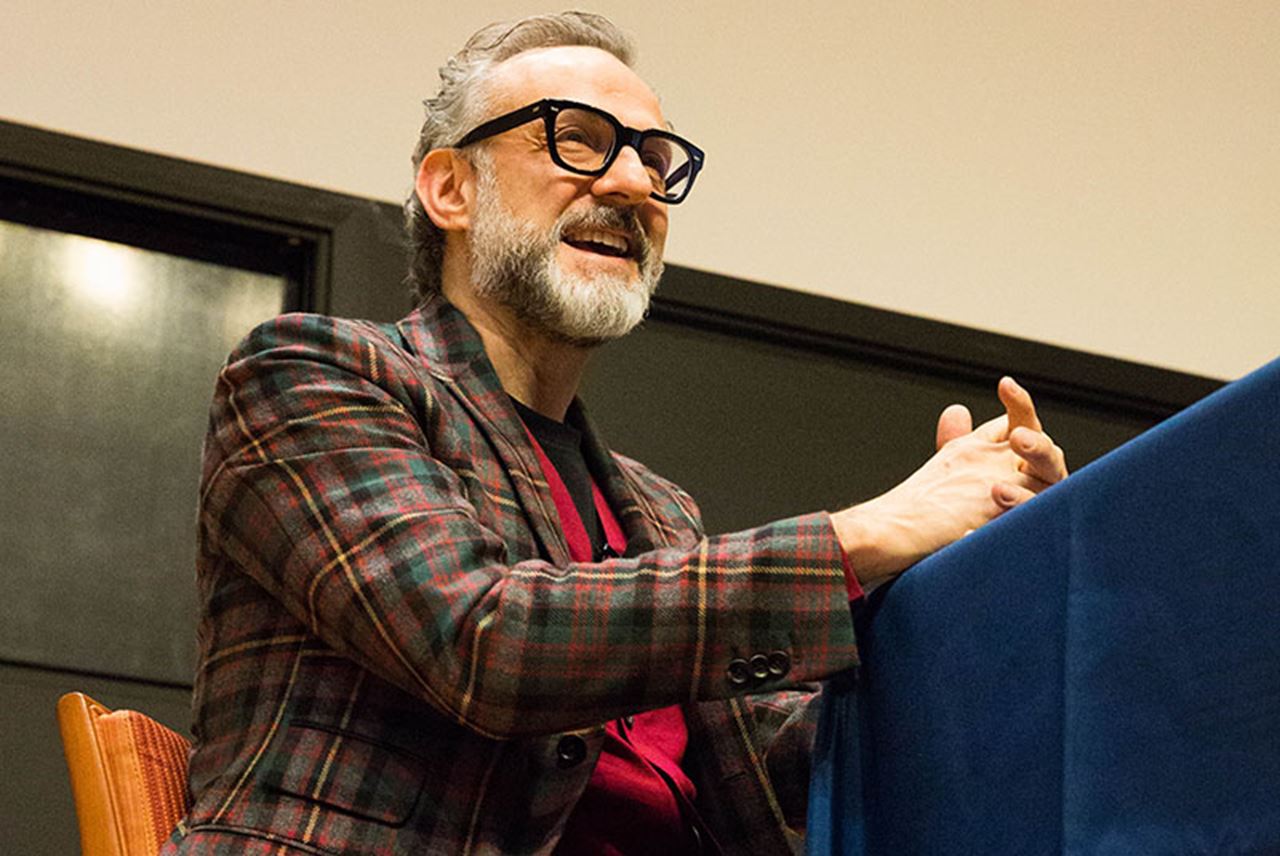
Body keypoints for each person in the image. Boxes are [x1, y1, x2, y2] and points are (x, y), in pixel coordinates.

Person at [163, 11, 1067, 856]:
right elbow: (485, 639)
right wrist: (864, 534)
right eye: (578, 139)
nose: (635, 183)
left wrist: (971, 569)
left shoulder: (659, 511)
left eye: (654, 159)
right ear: (449, 187)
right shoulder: (311, 376)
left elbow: (782, 767)